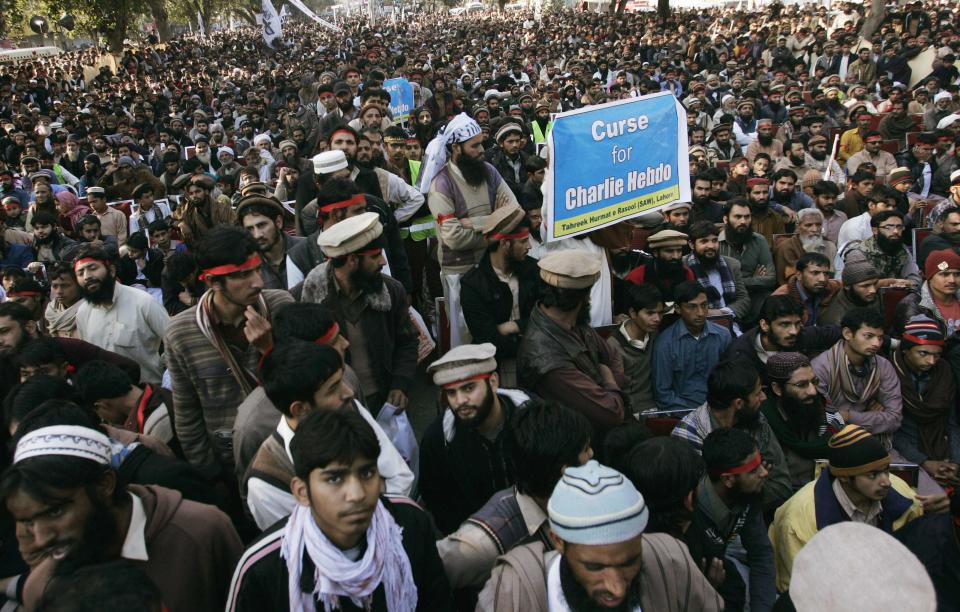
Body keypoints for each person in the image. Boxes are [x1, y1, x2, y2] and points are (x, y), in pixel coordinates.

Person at [3, 415, 243, 612]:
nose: (42, 538)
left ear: (104, 485)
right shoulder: (43, 588)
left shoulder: (201, 532)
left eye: (56, 511)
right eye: (29, 522)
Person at [225, 408, 455, 611]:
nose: (356, 494)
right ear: (302, 491)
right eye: (335, 479)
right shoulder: (263, 569)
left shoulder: (409, 523)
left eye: (366, 473)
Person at [477, 460, 723, 611]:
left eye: (629, 563)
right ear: (558, 541)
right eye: (595, 567)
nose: (616, 588)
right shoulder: (513, 592)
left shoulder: (669, 561)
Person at [164, 225, 294, 479]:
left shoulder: (281, 306)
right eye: (243, 275)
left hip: (288, 446)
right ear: (213, 281)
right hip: (229, 464)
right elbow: (187, 415)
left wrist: (269, 349)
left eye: (258, 269)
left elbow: (305, 381)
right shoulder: (180, 332)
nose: (258, 282)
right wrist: (210, 476)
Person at [245, 340, 414, 530]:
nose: (349, 392)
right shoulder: (268, 482)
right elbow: (303, 541)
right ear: (300, 409)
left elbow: (401, 479)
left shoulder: (348, 409)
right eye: (333, 388)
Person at [437, 400, 593, 591]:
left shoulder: (575, 506)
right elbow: (419, 579)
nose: (592, 455)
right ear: (565, 471)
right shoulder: (479, 544)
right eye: (586, 449)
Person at [769, 425, 924, 592]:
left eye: (886, 470)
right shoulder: (799, 520)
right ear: (844, 477)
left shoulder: (903, 497)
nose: (886, 482)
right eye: (872, 475)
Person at [301, 212, 417, 413]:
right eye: (375, 256)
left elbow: (407, 341)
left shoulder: (392, 290)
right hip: (335, 409)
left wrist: (400, 383)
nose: (383, 262)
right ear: (352, 260)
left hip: (384, 403)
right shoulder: (308, 298)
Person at [424, 114, 519, 347]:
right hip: (459, 273)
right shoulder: (441, 184)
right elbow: (454, 238)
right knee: (467, 338)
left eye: (481, 143)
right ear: (456, 148)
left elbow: (515, 212)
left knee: (499, 334)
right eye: (474, 145)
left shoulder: (489, 171)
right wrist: (496, 227)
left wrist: (474, 223)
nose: (481, 150)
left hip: (494, 267)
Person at [419, 343, 533, 534]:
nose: (460, 400)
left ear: (493, 382)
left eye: (469, 388)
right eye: (451, 392)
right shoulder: (438, 440)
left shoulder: (534, 418)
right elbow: (438, 502)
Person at [518, 250, 627, 434]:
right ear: (584, 298)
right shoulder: (548, 360)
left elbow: (612, 355)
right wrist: (609, 382)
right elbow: (612, 414)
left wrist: (607, 388)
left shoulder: (573, 323)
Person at [671, 359, 791, 512]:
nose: (764, 397)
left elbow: (781, 486)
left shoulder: (755, 420)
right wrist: (751, 485)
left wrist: (746, 481)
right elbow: (702, 503)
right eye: (758, 393)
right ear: (739, 403)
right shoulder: (688, 437)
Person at [690, 428, 776, 612]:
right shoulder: (691, 511)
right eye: (753, 470)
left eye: (761, 464)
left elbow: (761, 553)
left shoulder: (747, 494)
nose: (764, 473)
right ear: (728, 479)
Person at [460, 203, 538, 386]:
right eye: (523, 241)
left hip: (537, 360)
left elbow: (546, 319)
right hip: (497, 367)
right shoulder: (473, 284)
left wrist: (512, 326)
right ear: (504, 243)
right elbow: (487, 338)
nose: (529, 247)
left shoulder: (533, 270)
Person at [72, 245, 169, 384]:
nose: (87, 277)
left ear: (111, 270)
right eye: (80, 273)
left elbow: (175, 342)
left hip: (147, 393)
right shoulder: (83, 313)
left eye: (92, 268)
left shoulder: (143, 302)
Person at [812, 307, 902, 444]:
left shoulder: (883, 366)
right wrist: (871, 416)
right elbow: (823, 419)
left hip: (872, 442)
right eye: (868, 336)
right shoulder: (822, 367)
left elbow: (894, 419)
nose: (876, 343)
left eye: (880, 338)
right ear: (848, 333)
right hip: (830, 443)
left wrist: (848, 416)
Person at [892, 314, 960, 488]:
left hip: (941, 450)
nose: (931, 361)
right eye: (923, 353)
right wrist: (924, 462)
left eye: (937, 355)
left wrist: (955, 463)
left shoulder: (944, 372)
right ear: (906, 350)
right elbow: (891, 430)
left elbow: (952, 423)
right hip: (904, 454)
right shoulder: (890, 372)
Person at [762, 352, 842, 492]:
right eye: (801, 385)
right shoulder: (764, 422)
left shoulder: (824, 408)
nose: (812, 391)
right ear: (777, 389)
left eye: (814, 382)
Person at [724, 295, 839, 388]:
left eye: (797, 323)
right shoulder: (741, 355)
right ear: (764, 325)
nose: (793, 331)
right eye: (785, 324)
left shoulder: (799, 336)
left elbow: (833, 333)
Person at [653, 281, 732, 414]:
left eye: (704, 305)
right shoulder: (665, 344)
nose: (700, 313)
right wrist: (695, 415)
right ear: (678, 309)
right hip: (684, 413)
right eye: (692, 307)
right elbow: (663, 395)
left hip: (720, 409)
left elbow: (730, 379)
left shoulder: (723, 335)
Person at [75, 359, 180, 457]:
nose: (107, 422)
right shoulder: (155, 391)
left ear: (102, 405)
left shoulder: (157, 422)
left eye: (101, 416)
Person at [607, 283, 665, 416]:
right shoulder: (613, 345)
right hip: (630, 413)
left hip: (658, 408)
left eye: (660, 313)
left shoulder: (655, 335)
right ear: (633, 313)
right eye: (650, 313)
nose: (657, 319)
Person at [684, 220, 751, 326]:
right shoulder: (684, 266)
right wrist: (707, 314)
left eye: (715, 241)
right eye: (704, 241)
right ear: (692, 245)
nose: (711, 246)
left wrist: (723, 313)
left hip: (731, 323)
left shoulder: (732, 264)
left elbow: (744, 299)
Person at [236, 194, 304, 290]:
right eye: (250, 229)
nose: (257, 235)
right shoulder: (247, 264)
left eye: (262, 225)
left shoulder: (307, 249)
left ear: (278, 222)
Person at [837, 209, 921, 287]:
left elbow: (915, 278)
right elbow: (860, 285)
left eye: (899, 227)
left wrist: (909, 283)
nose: (895, 231)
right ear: (875, 230)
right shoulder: (859, 252)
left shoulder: (902, 249)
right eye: (889, 227)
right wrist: (892, 282)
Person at [894, 248, 960, 339]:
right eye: (945, 274)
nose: (952, 280)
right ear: (930, 277)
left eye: (957, 274)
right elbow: (922, 345)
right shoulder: (912, 306)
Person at [624, 229, 695, 302]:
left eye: (679, 251)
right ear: (655, 253)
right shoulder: (637, 276)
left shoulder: (687, 273)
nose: (676, 256)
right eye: (669, 251)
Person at [772, 252, 841, 326]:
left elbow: (849, 281)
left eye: (826, 273)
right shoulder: (782, 297)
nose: (822, 279)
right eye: (815, 273)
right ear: (799, 275)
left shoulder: (829, 287)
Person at [773, 208, 837, 285]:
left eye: (818, 225)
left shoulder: (830, 246)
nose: (814, 229)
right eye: (808, 225)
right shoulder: (786, 248)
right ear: (798, 227)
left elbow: (837, 274)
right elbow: (791, 279)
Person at [820, 260, 882, 326]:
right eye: (865, 286)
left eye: (875, 284)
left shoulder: (874, 296)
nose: (873, 290)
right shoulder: (835, 320)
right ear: (847, 286)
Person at [43, 262, 82, 338]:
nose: (59, 291)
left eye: (65, 286)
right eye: (55, 286)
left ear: (78, 284)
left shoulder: (90, 309)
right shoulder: (52, 310)